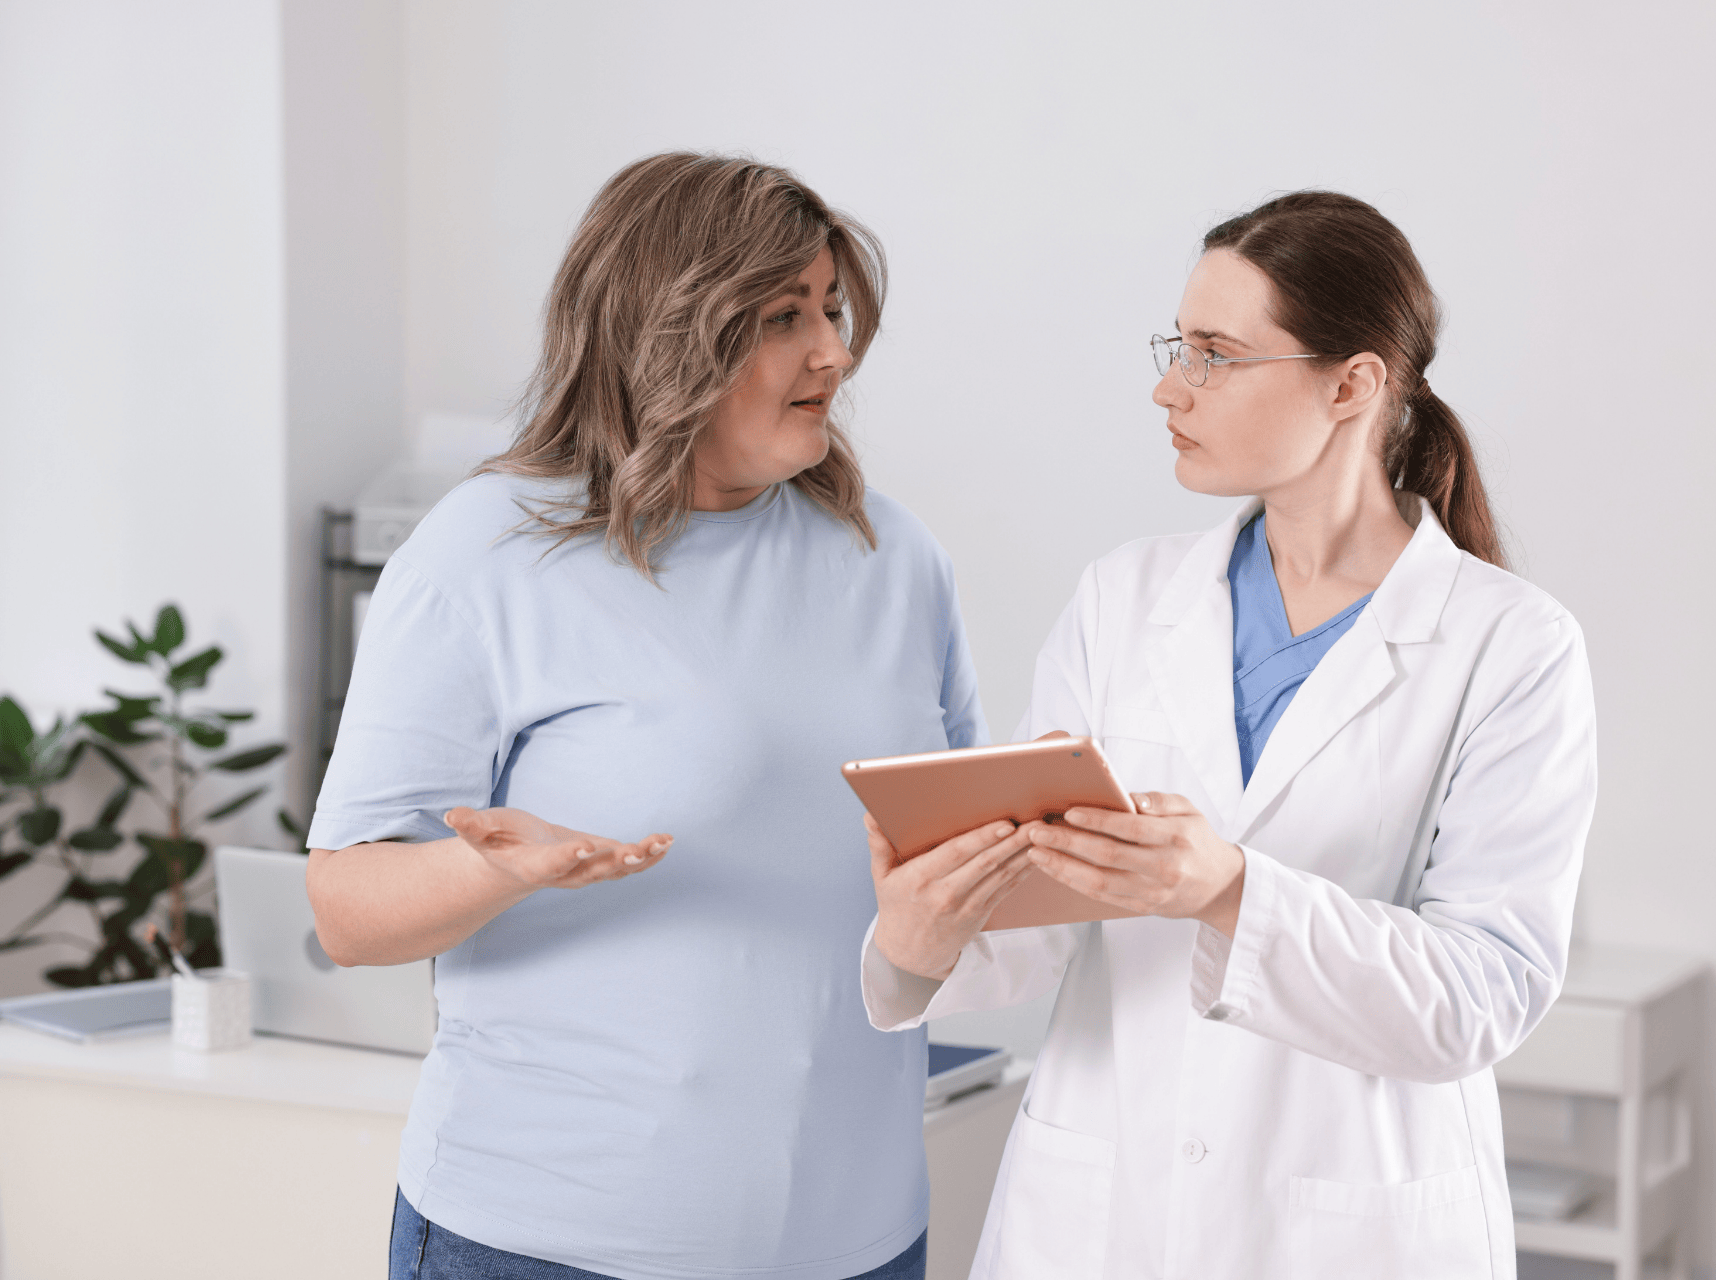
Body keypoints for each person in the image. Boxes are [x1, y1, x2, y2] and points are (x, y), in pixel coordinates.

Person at [862, 191, 1598, 1279]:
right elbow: (1037, 927)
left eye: (1215, 354)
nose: (1170, 387)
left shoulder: (1512, 644)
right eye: (1179, 347)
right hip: (1102, 1214)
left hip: (1350, 1227)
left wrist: (1230, 891)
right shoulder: (1123, 599)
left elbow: (1481, 994)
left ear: (1351, 385)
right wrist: (922, 936)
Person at [306, 152, 1011, 1280]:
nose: (832, 352)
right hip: (547, 1243)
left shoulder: (893, 555)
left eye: (831, 309)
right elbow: (346, 910)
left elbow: (953, 865)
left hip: (861, 1239)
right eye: (783, 317)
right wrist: (496, 871)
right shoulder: (486, 552)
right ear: (669, 334)